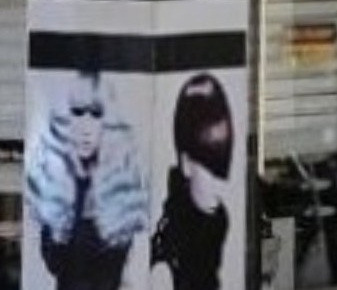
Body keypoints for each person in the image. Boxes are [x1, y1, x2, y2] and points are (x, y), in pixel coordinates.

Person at [26, 72, 149, 290]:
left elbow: (122, 265)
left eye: (96, 113)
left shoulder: (124, 183)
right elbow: (52, 262)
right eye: (77, 112)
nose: (86, 126)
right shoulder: (54, 183)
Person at [149, 75, 233, 290]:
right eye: (210, 165)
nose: (218, 183)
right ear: (186, 163)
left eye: (222, 167)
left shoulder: (214, 225)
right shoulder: (166, 267)